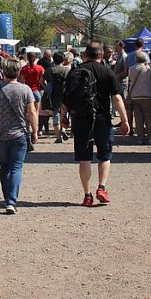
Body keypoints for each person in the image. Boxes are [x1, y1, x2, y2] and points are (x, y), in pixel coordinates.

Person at [60, 43, 130, 207]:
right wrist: (125, 120)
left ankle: (87, 195)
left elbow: (65, 99)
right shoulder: (107, 71)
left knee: (84, 159)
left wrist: (64, 118)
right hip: (102, 119)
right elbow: (117, 98)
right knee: (104, 155)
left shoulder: (75, 71)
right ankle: (101, 187)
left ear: (85, 55)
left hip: (80, 118)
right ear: (101, 55)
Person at [0, 57, 37, 214]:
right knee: (16, 167)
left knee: (4, 166)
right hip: (19, 134)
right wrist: (35, 131)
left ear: (3, 72)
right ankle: (12, 201)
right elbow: (32, 112)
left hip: (0, 135)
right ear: (18, 71)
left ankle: (7, 197)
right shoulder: (25, 90)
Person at [126, 50, 151, 143]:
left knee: (138, 118)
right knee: (149, 118)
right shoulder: (148, 69)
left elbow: (130, 81)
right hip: (147, 95)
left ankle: (140, 138)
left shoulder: (131, 68)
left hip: (135, 95)